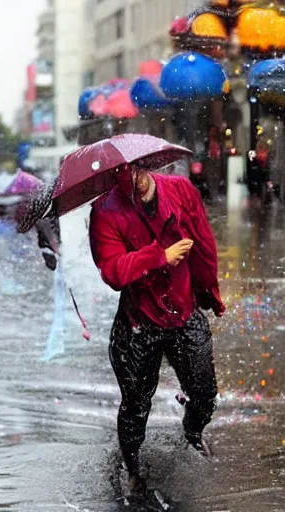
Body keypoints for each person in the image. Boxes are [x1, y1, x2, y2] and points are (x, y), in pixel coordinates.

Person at [88, 165, 225, 495]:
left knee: (205, 394)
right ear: (114, 179)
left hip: (184, 311)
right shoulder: (104, 212)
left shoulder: (180, 189)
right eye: (124, 173)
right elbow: (113, 271)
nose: (135, 176)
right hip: (138, 322)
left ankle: (193, 431)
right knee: (135, 404)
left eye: (138, 166)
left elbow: (203, 242)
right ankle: (133, 468)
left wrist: (209, 291)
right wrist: (158, 257)